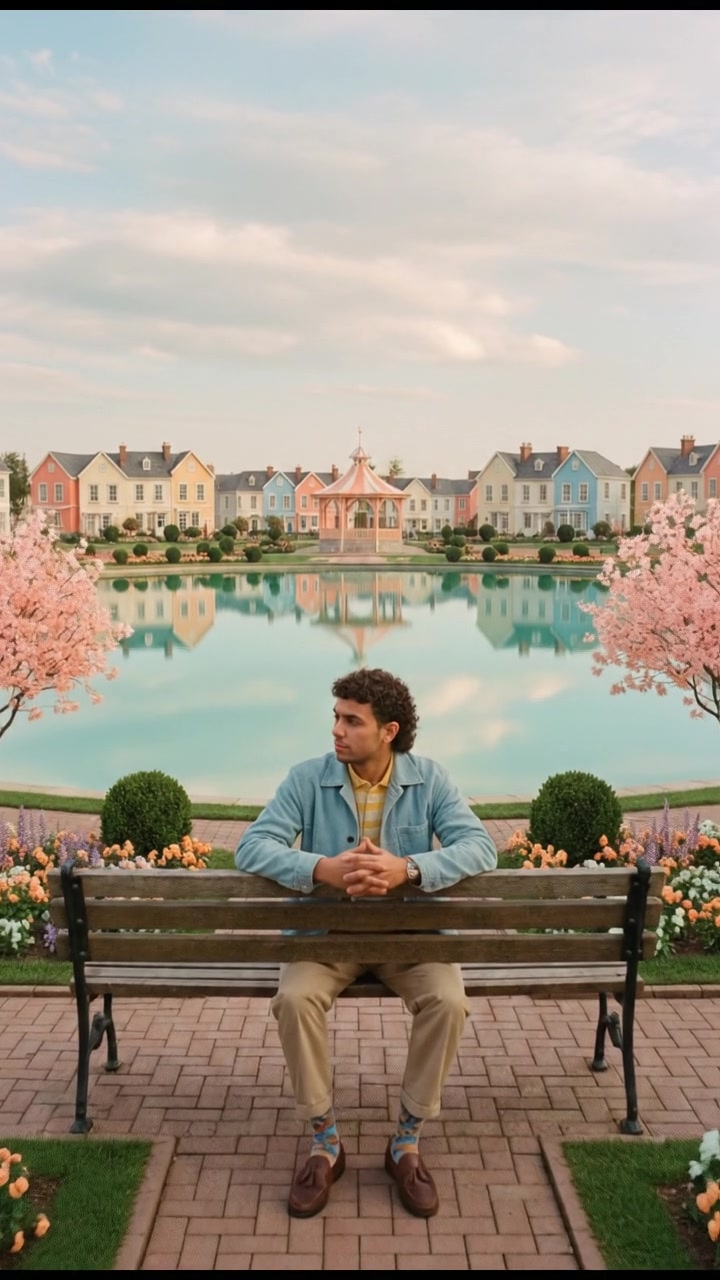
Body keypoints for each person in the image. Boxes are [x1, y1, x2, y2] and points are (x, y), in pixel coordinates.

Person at [235, 667, 497, 1219]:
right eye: (336, 717)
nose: (337, 730)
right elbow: (252, 846)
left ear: (388, 731)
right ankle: (325, 1143)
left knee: (449, 1000)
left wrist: (409, 869)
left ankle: (406, 1142)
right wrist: (320, 868)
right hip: (326, 937)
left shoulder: (431, 779)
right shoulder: (306, 779)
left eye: (352, 721)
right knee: (294, 999)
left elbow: (480, 847)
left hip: (410, 938)